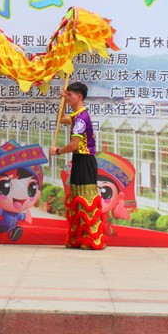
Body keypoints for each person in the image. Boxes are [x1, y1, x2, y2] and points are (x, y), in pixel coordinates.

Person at [49, 82, 107, 250]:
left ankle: (91, 239)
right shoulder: (76, 115)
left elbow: (74, 145)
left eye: (70, 95)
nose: (68, 98)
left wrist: (58, 151)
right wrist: (61, 102)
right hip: (79, 160)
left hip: (85, 160)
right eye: (67, 95)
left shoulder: (81, 118)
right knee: (77, 199)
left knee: (86, 199)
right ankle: (79, 237)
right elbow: (61, 119)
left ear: (79, 97)